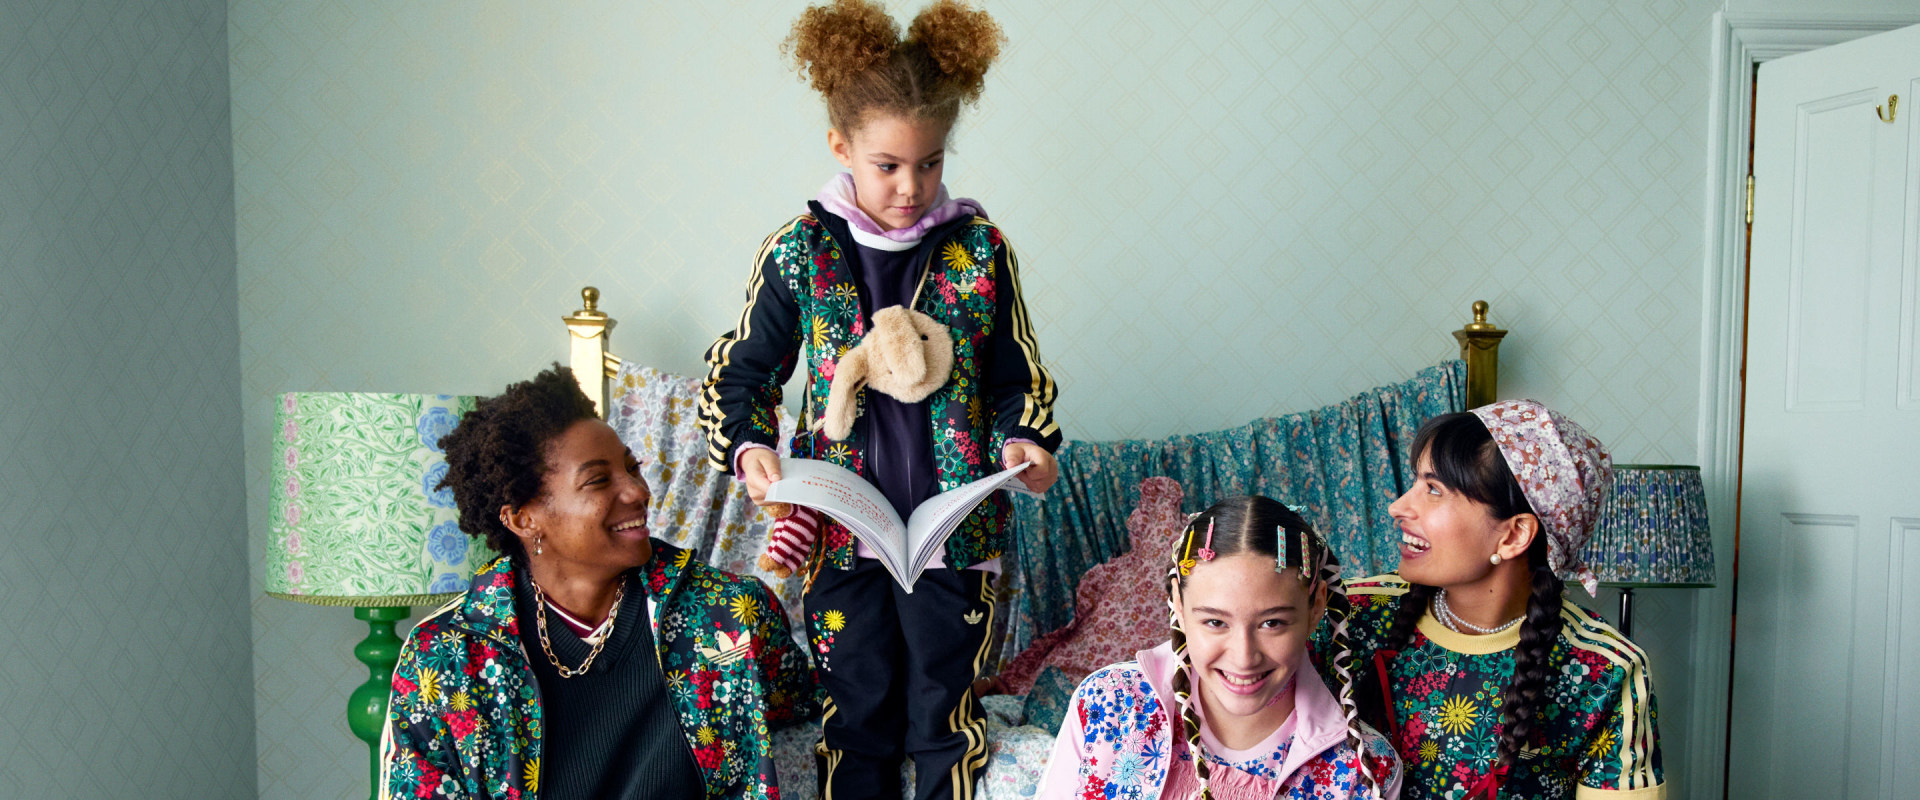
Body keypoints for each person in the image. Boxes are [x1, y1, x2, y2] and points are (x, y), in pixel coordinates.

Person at [697, 1, 1061, 798]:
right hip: (841, 538)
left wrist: (1024, 443)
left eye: (930, 163)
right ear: (841, 147)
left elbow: (1017, 381)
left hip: (955, 537)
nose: (911, 186)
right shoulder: (799, 252)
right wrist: (755, 451)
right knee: (856, 714)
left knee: (943, 717)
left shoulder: (981, 250)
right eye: (888, 164)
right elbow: (740, 376)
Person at [378, 366, 815, 800]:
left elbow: (815, 722)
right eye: (598, 481)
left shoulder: (729, 614)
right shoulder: (447, 654)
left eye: (632, 468)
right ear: (523, 519)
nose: (638, 492)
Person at [1327, 400, 1665, 799]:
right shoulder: (1346, 614)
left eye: (1433, 489)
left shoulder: (1604, 672)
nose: (1398, 507)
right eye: (1415, 483)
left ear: (1513, 536)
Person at [1039, 496, 1403, 800]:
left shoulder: (1365, 771)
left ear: (1316, 608)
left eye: (1271, 623)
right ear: (1178, 608)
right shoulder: (1107, 703)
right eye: (1215, 622)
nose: (1243, 657)